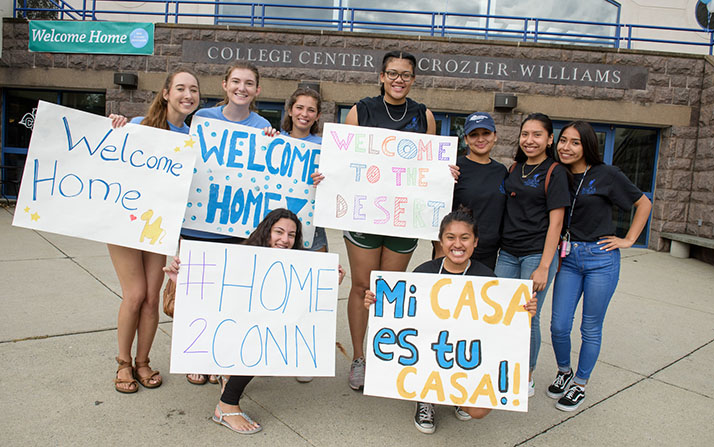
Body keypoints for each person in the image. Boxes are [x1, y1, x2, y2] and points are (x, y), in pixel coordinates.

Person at [165, 208, 345, 434]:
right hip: (229, 327)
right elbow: (210, 292)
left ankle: (227, 375)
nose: (285, 239)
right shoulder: (242, 254)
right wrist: (182, 279)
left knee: (269, 331)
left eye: (291, 235)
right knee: (260, 337)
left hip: (249, 329)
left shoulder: (296, 263)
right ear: (267, 231)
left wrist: (328, 283)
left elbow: (303, 306)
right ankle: (227, 406)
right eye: (279, 232)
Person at [364, 207, 537, 434]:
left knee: (478, 411)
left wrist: (523, 312)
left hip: (465, 356)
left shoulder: (488, 279)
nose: (458, 244)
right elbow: (401, 321)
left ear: (475, 242)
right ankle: (425, 398)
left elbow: (502, 331)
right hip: (428, 356)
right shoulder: (423, 274)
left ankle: (458, 391)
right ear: (441, 242)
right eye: (450, 238)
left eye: (465, 238)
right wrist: (377, 303)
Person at [338, 50, 438, 391]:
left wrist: (445, 172)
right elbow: (345, 162)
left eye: (406, 75)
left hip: (403, 217)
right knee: (362, 286)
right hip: (366, 214)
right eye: (393, 73)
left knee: (390, 291)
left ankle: (386, 356)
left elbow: (429, 169)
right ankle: (359, 357)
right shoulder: (361, 110)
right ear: (381, 76)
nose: (399, 80)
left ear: (413, 79)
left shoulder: (424, 115)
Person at [182, 61, 277, 386]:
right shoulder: (202, 119)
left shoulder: (263, 125)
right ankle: (196, 356)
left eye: (249, 83)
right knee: (199, 295)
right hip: (199, 224)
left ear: (258, 90)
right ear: (224, 85)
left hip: (238, 230)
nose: (242, 88)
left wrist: (274, 143)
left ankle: (221, 359)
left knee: (230, 298)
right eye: (236, 81)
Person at [107, 69, 200, 393]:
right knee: (134, 295)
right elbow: (109, 161)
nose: (187, 95)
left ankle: (142, 361)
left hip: (159, 225)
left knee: (150, 299)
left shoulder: (194, 138)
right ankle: (123, 363)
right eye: (181, 88)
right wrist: (114, 129)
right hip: (125, 221)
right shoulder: (138, 127)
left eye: (193, 90)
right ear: (165, 93)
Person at [548, 121, 652, 411]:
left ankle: (580, 383)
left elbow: (643, 203)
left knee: (590, 327)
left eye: (575, 142)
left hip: (600, 258)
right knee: (558, 325)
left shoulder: (607, 174)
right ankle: (564, 370)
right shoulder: (557, 174)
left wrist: (629, 239)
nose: (566, 147)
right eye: (563, 140)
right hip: (567, 258)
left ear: (587, 146)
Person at [494, 113, 570, 397]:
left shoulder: (556, 172)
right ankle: (502, 364)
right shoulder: (514, 168)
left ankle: (526, 374)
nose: (530, 140)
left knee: (528, 316)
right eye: (525, 134)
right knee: (501, 310)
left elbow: (557, 223)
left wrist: (544, 265)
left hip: (536, 256)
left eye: (537, 135)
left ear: (550, 139)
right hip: (507, 253)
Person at [281, 86, 327, 383]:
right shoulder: (272, 141)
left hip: (313, 231)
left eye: (311, 110)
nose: (304, 114)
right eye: (300, 108)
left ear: (317, 115)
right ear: (290, 110)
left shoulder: (326, 147)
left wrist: (326, 178)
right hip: (278, 233)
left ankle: (304, 355)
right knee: (279, 293)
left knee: (311, 294)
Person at [445, 112, 507, 271]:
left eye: (486, 133)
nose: (480, 139)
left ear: (495, 136)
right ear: (465, 139)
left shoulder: (502, 171)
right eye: (474, 135)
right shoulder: (454, 168)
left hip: (489, 253)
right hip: (456, 250)